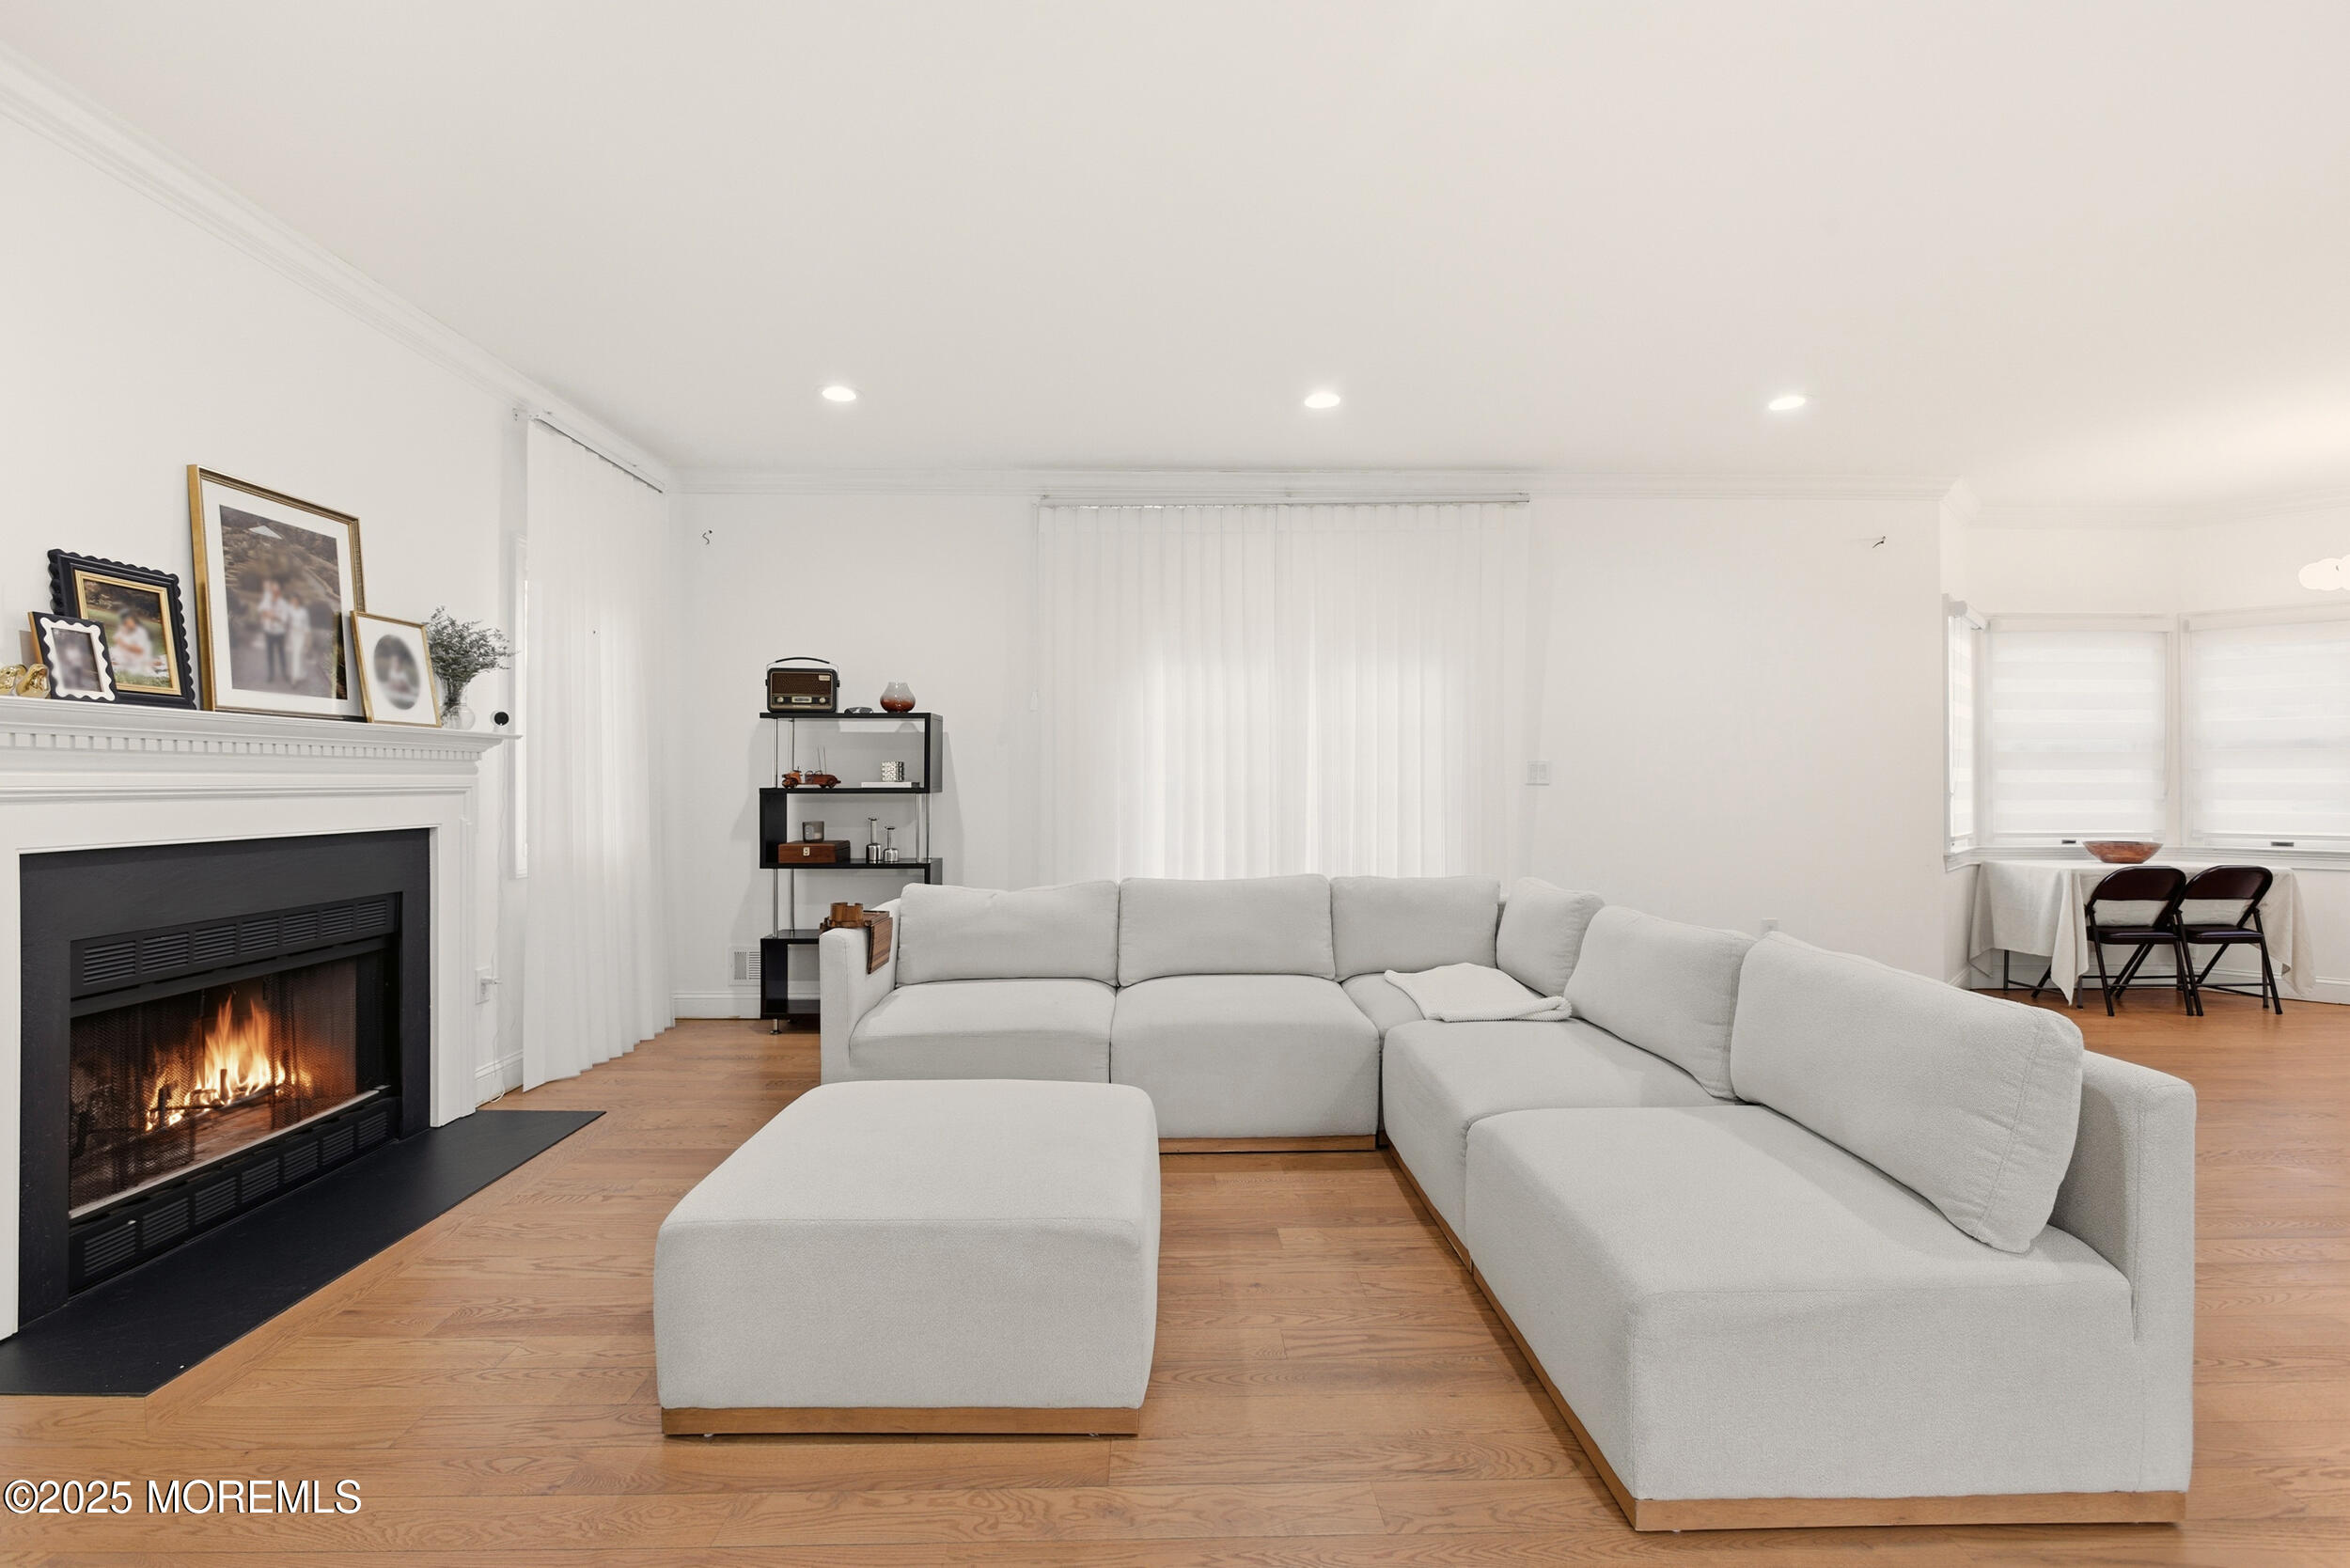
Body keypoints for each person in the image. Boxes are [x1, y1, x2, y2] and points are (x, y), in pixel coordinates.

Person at [256, 579, 292, 685]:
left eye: (276, 591)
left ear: (279, 592)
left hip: (279, 633)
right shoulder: (266, 601)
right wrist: (266, 614)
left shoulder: (284, 603)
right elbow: (260, 610)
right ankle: (271, 675)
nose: (274, 593)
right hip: (269, 632)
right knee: (270, 654)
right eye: (273, 591)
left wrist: (274, 616)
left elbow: (285, 619)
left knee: (281, 654)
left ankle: (284, 674)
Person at [111, 610, 162, 684]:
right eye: (126, 621)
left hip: (139, 654)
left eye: (130, 621)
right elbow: (117, 640)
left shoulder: (140, 632)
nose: (128, 623)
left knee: (143, 663)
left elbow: (139, 650)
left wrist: (126, 645)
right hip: (128, 654)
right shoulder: (123, 629)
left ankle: (150, 662)